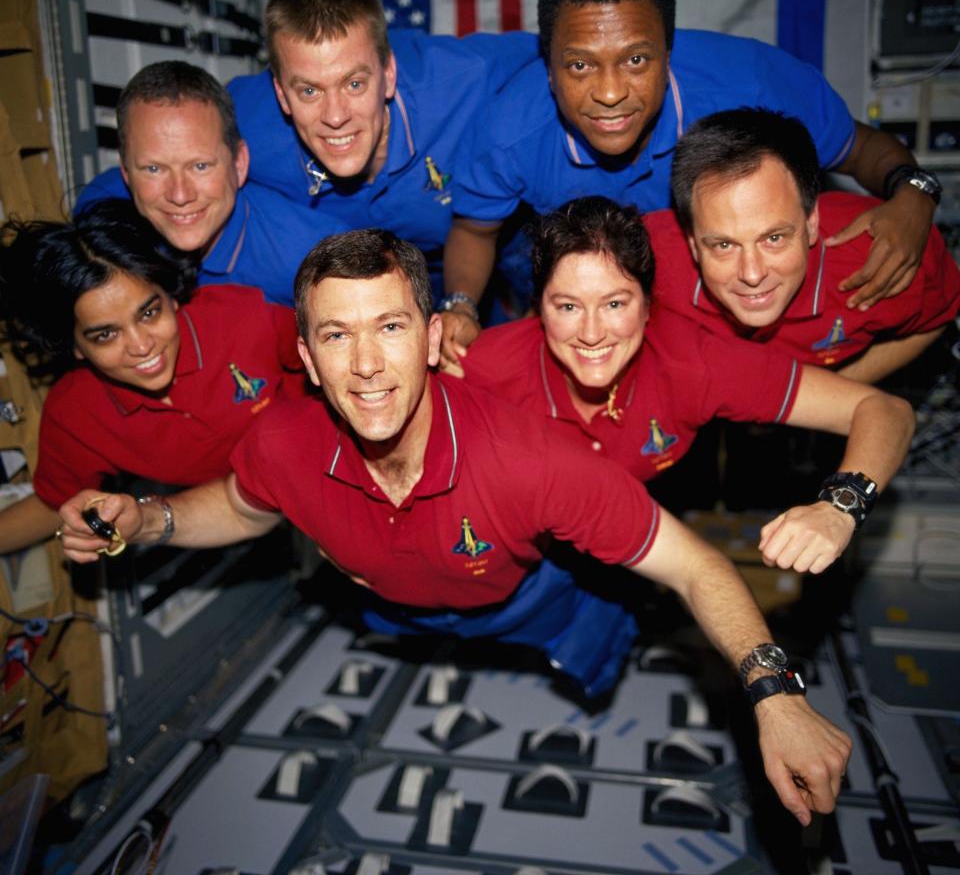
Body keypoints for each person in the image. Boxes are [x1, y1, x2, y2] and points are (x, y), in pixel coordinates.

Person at [58, 227, 850, 826]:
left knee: (595, 663)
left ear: (435, 339)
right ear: (305, 353)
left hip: (542, 599)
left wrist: (775, 697)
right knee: (410, 621)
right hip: (393, 607)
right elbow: (237, 504)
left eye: (391, 327)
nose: (366, 364)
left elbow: (694, 567)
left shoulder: (537, 462)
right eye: (337, 335)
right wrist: (152, 518)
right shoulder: (278, 441)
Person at [440, 0, 940, 371]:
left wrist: (914, 192)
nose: (610, 92)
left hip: (728, 300)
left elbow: (862, 149)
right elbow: (474, 230)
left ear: (668, 51)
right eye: (580, 65)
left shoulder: (756, 84)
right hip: (606, 305)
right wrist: (461, 305)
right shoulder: (509, 130)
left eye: (636, 59)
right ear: (549, 70)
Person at [454, 197, 914, 573]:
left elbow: (883, 411)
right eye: (568, 307)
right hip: (515, 556)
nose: (592, 333)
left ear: (649, 306)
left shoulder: (694, 362)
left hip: (634, 549)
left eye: (615, 303)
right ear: (539, 309)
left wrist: (840, 507)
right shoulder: (484, 370)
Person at [0, 200, 303, 555]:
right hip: (239, 515)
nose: (142, 345)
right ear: (76, 347)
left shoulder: (242, 317)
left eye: (149, 312)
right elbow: (56, 505)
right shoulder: (76, 415)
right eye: (105, 335)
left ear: (171, 297)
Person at [227, 0, 538, 300]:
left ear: (389, 74)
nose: (335, 116)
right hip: (367, 279)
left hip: (488, 242)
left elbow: (566, 50)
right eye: (309, 92)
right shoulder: (240, 121)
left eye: (355, 84)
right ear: (280, 93)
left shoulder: (466, 76)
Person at [645, 107, 960, 383]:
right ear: (692, 243)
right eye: (724, 245)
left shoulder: (883, 255)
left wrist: (820, 395)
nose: (752, 275)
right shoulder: (642, 257)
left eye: (774, 238)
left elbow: (939, 314)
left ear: (812, 223)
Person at [75, 61, 347, 307]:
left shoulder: (313, 260)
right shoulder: (99, 214)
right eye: (153, 169)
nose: (179, 195)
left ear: (239, 164)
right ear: (126, 173)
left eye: (200, 166)